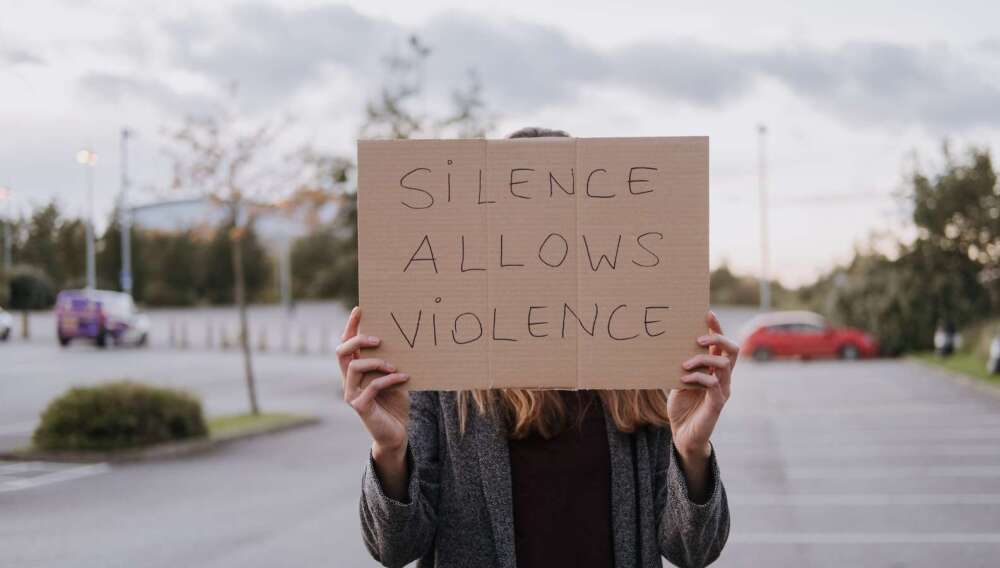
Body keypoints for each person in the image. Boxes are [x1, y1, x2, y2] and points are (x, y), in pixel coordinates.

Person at [340, 127, 733, 568]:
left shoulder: (636, 373)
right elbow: (395, 549)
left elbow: (692, 551)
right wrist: (389, 452)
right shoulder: (445, 380)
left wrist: (692, 452)